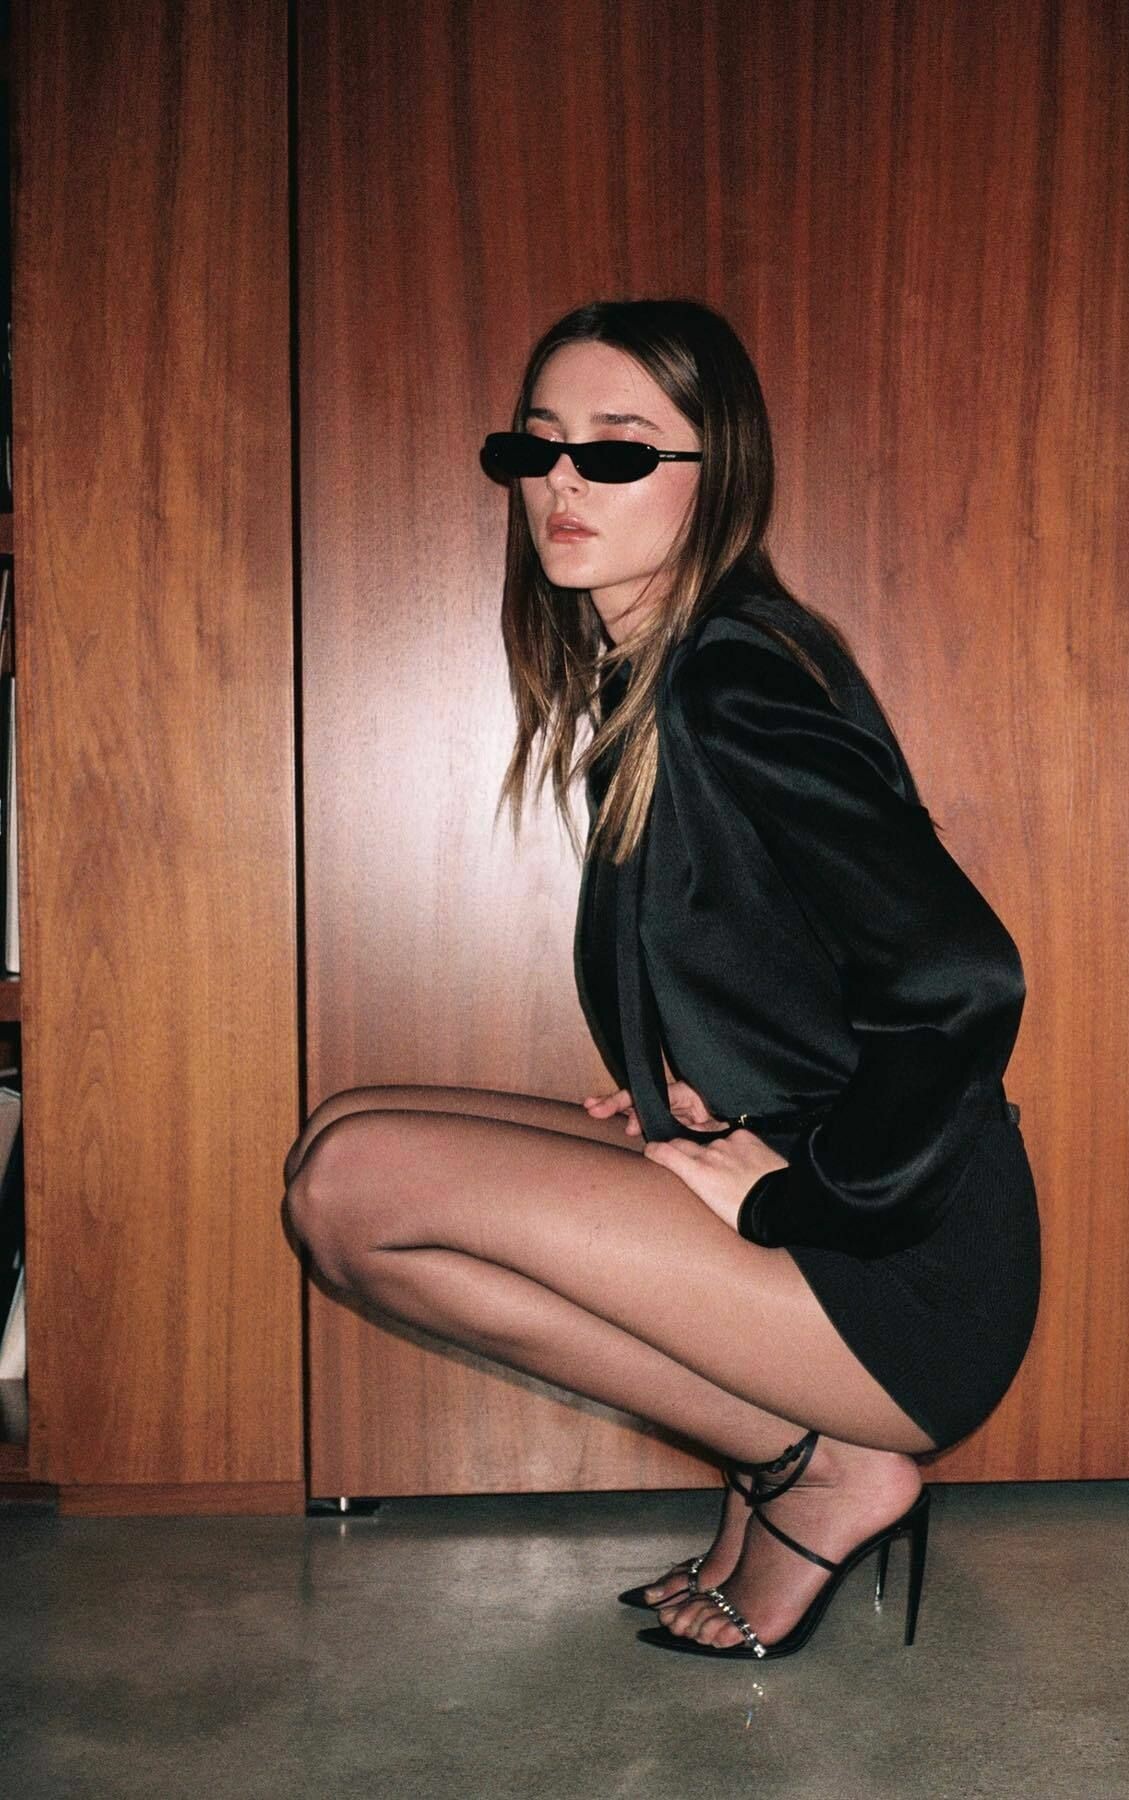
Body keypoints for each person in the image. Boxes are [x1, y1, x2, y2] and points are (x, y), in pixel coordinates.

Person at [281, 297, 1042, 1662]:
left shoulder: (727, 682)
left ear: (715, 472)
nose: (563, 483)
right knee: (344, 1131)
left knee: (353, 1190)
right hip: (814, 1187)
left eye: (618, 450)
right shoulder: (667, 670)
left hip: (901, 1270)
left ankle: (819, 1465)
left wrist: (804, 1196)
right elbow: (770, 943)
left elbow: (961, 976)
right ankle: (789, 1458)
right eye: (538, 447)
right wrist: (696, 1089)